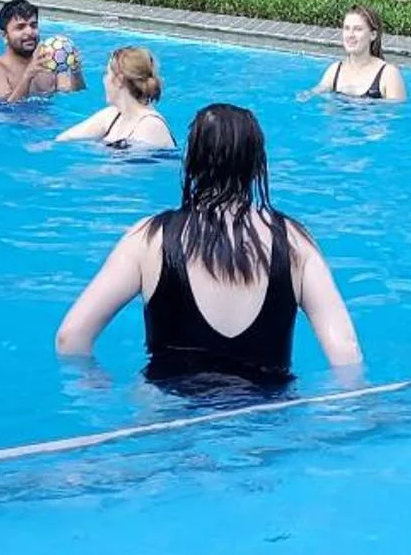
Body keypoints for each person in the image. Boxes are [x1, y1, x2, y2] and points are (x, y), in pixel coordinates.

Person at [56, 103, 361, 390]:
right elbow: (346, 356)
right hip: (264, 424)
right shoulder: (294, 242)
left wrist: (99, 389)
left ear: (191, 162)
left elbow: (71, 338)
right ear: (257, 167)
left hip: (168, 418)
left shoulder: (148, 238)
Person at [55, 46, 176, 151]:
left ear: (119, 81)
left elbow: (123, 172)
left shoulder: (150, 127)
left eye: (107, 74)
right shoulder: (113, 116)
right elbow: (62, 140)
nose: (104, 80)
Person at [0, 0, 86, 100]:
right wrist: (28, 76)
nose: (29, 32)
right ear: (4, 36)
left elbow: (74, 93)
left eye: (33, 25)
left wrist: (76, 72)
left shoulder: (49, 62)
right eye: (20, 27)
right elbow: (7, 111)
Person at [315, 6, 407, 102]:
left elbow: (397, 113)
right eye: (346, 28)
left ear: (373, 35)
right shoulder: (334, 71)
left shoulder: (389, 75)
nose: (350, 35)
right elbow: (312, 98)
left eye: (358, 29)